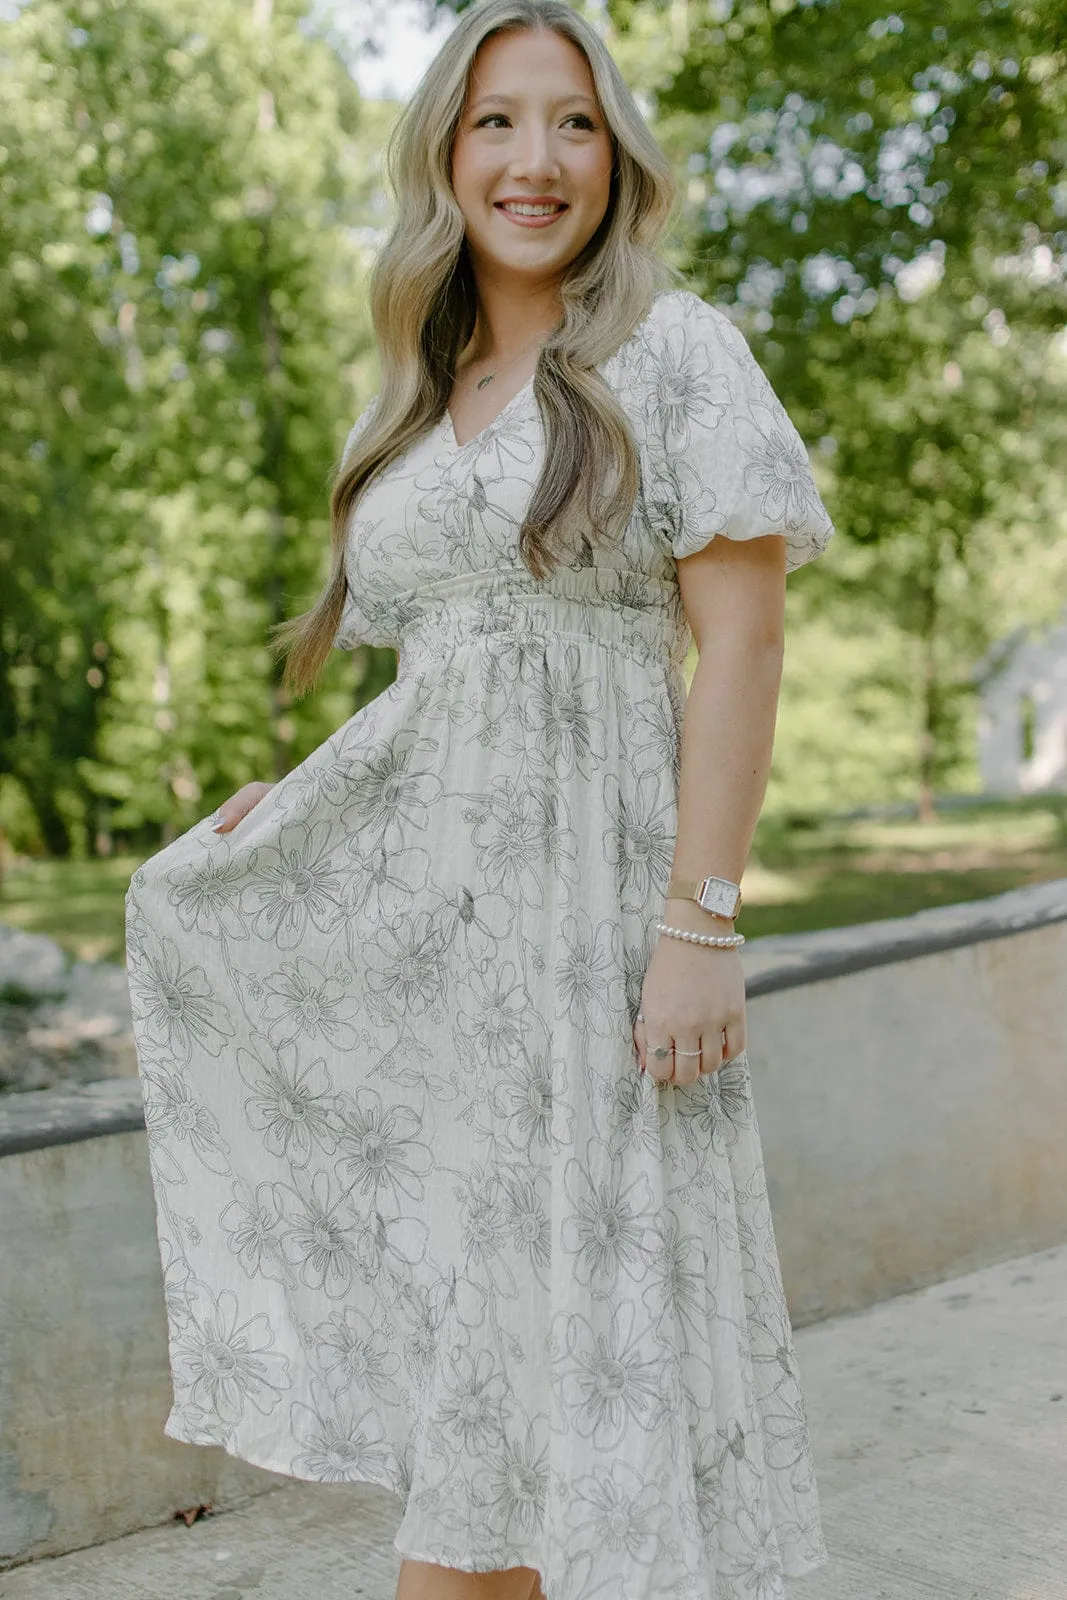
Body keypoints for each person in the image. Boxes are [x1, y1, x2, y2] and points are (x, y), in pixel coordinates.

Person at [124, 2, 835, 1596]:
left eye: (572, 122)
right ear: (445, 151)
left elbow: (743, 643)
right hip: (449, 963)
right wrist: (296, 818)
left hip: (603, 930)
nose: (536, 158)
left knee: (589, 1362)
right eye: (497, 122)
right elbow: (441, 688)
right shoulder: (423, 383)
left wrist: (698, 923)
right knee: (495, 1385)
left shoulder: (673, 350)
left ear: (615, 153)